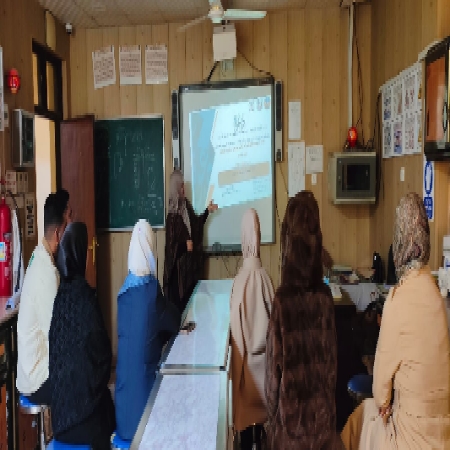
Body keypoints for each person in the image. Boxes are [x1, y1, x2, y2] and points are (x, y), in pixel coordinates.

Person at [341, 192, 450, 450]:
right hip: (442, 434)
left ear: (400, 242)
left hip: (410, 438)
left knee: (359, 419)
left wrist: (385, 404)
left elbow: (380, 391)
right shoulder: (436, 295)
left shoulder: (398, 299)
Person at [265, 191, 342, 449]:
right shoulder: (325, 298)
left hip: (290, 434)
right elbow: (332, 370)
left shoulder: (281, 302)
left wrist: (272, 422)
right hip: (323, 431)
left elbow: (272, 382)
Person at [49, 222, 115, 450]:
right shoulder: (86, 298)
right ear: (79, 256)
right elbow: (103, 356)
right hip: (84, 422)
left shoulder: (59, 298)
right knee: (108, 410)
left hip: (59, 420)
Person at [115, 220, 181, 440]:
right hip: (144, 417)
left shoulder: (123, 293)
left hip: (122, 411)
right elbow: (174, 321)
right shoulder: (151, 291)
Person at [16, 193, 67, 405]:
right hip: (37, 380)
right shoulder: (46, 274)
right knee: (83, 381)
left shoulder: (39, 255)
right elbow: (57, 337)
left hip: (32, 371)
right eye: (68, 224)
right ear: (58, 233)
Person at [230, 209, 274, 450]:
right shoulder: (267, 279)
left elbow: (237, 339)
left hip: (246, 376)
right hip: (266, 374)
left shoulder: (239, 282)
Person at [163, 170, 218, 312]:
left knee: (192, 310)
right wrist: (184, 246)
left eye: (184, 186)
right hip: (178, 277)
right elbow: (170, 250)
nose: (184, 189)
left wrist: (207, 211)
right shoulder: (172, 217)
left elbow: (196, 226)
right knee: (180, 312)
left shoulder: (186, 207)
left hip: (190, 272)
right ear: (176, 188)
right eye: (181, 186)